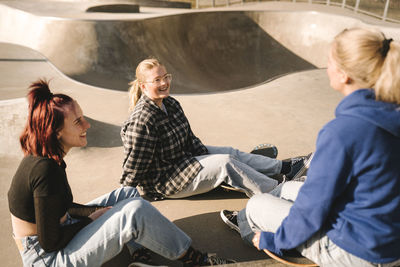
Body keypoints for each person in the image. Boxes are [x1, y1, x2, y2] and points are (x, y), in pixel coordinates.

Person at [220, 27, 400, 266]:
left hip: (357, 252)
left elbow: (312, 212)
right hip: (387, 239)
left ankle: (252, 228)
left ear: (345, 74)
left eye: (329, 60)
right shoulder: (391, 115)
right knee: (288, 189)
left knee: (256, 205)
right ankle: (244, 221)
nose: (327, 66)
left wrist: (274, 241)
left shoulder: (343, 132)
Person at [8, 80, 234, 267]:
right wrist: (89, 219)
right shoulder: (45, 170)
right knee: (135, 211)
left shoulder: (47, 158)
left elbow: (58, 207)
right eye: (77, 122)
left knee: (127, 194)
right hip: (48, 260)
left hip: (59, 231)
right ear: (55, 131)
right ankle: (196, 260)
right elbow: (50, 242)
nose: (86, 125)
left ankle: (139, 256)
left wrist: (94, 212)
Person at [120, 58, 309, 200]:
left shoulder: (170, 103)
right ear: (144, 87)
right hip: (168, 181)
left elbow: (189, 138)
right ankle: (278, 191)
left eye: (165, 77)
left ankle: (287, 168)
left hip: (185, 159)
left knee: (228, 153)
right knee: (224, 163)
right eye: (157, 80)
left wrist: (205, 156)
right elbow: (134, 165)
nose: (164, 83)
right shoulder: (142, 120)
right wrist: (124, 195)